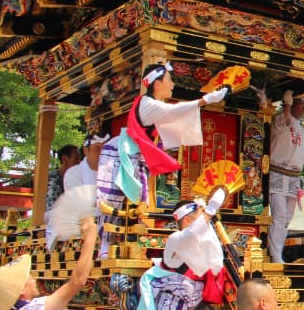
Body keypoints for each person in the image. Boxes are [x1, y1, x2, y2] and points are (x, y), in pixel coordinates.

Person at [97, 61, 227, 255]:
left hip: (134, 156)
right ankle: (105, 248)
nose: (173, 84)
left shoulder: (151, 104)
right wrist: (207, 99)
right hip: (119, 154)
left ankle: (125, 245)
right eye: (170, 80)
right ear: (157, 84)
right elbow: (175, 112)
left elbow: (171, 124)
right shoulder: (149, 104)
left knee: (137, 201)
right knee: (112, 201)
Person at [265, 91, 304, 263]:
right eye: (300, 103)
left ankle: (277, 251)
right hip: (277, 173)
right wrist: (287, 103)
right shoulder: (281, 120)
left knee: (287, 219)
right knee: (279, 216)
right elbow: (286, 120)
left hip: (294, 179)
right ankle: (275, 255)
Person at [45, 144, 80, 213]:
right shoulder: (52, 180)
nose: (79, 163)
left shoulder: (74, 180)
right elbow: (51, 209)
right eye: (76, 159)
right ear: (64, 159)